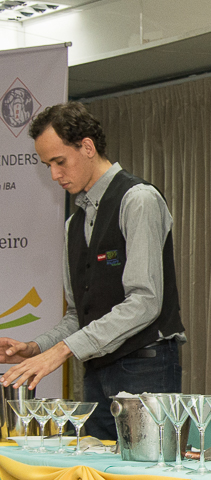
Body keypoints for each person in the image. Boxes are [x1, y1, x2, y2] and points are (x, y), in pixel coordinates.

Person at [0, 102, 185, 439]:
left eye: (60, 162)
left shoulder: (137, 200)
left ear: (87, 147)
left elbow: (145, 302)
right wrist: (37, 348)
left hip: (145, 367)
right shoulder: (74, 224)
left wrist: (62, 351)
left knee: (143, 471)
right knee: (96, 468)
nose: (54, 175)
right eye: (47, 165)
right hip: (96, 371)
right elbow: (78, 316)